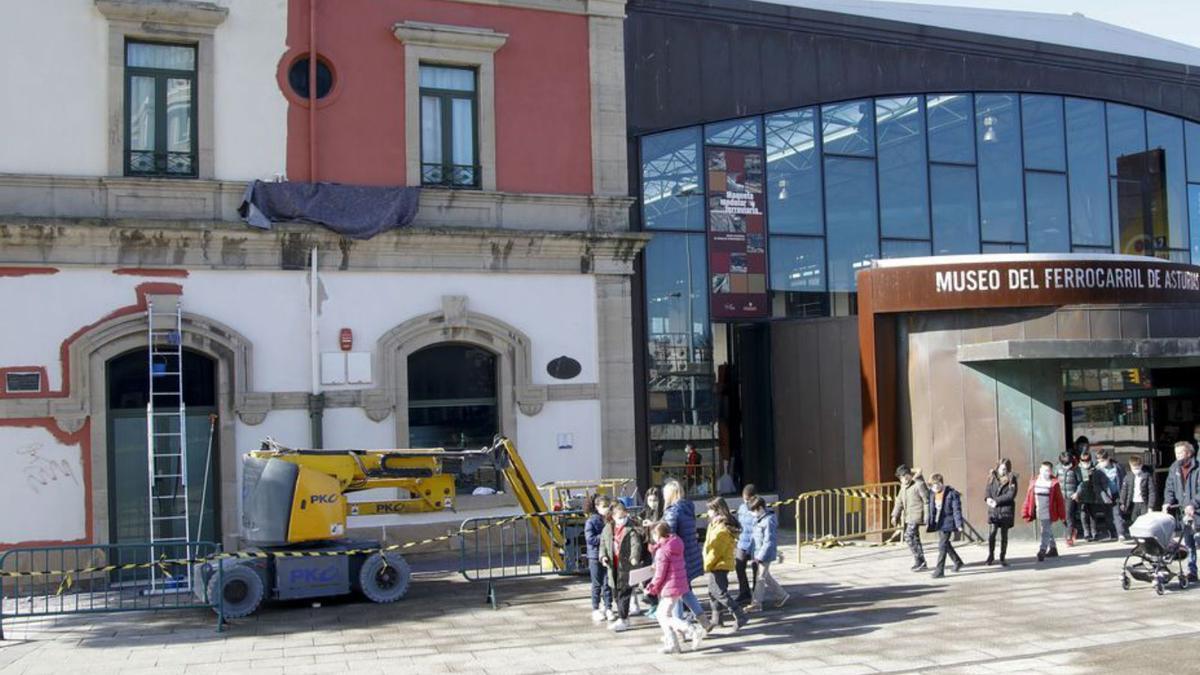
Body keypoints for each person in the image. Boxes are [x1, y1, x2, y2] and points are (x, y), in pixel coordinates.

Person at [662, 480, 711, 635]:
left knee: (675, 592)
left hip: (677, 559)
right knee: (685, 590)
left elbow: (669, 536)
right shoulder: (687, 508)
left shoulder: (672, 512)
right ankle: (704, 621)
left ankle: (680, 628)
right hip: (690, 555)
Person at [645, 521, 697, 654]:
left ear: (657, 534)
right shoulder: (675, 543)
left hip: (669, 586)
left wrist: (651, 588)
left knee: (663, 615)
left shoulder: (662, 551)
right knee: (662, 615)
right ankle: (673, 643)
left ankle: (689, 628)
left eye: (653, 534)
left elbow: (660, 574)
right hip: (677, 584)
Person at [703, 497, 748, 631]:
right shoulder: (714, 524)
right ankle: (717, 619)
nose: (708, 512)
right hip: (715, 564)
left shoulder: (721, 529)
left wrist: (706, 565)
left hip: (719, 564)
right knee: (712, 592)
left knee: (719, 592)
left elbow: (715, 551)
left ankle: (740, 615)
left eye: (710, 509)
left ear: (717, 510)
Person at [599, 501, 644, 632]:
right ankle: (623, 617)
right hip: (612, 566)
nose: (623, 520)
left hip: (626, 566)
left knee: (624, 593)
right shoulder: (607, 528)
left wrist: (634, 557)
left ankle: (623, 619)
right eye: (620, 517)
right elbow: (602, 544)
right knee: (616, 593)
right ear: (612, 516)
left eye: (624, 516)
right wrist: (603, 557)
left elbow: (636, 544)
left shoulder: (631, 528)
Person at [1163, 440, 1200, 581]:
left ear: (1189, 453)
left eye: (1180, 453)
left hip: (1196, 509)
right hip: (1185, 512)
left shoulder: (1198, 468)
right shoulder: (1174, 468)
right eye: (1176, 453)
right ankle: (1192, 571)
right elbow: (1170, 487)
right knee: (1189, 542)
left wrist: (1193, 504)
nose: (1177, 456)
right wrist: (1167, 502)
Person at [746, 496, 789, 610]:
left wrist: (759, 556)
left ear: (760, 508)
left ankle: (756, 603)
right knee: (765, 576)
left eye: (753, 510)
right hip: (759, 552)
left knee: (760, 577)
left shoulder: (768, 520)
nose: (752, 513)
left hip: (766, 553)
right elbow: (755, 538)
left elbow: (769, 541)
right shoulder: (759, 518)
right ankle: (782, 595)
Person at [1021, 461, 1067, 561]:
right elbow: (1028, 497)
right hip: (1038, 510)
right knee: (1047, 529)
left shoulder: (1054, 484)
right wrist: (1025, 510)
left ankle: (1042, 550)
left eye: (1047, 470)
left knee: (1045, 531)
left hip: (1049, 511)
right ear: (1040, 470)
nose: (1045, 472)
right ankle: (1053, 548)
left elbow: (1059, 500)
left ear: (1051, 471)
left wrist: (1062, 515)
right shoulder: (1035, 481)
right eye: (1043, 470)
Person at [891, 464, 929, 571]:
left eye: (904, 476)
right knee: (915, 539)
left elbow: (927, 501)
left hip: (917, 515)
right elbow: (899, 502)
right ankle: (921, 562)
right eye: (900, 477)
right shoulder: (903, 487)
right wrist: (895, 515)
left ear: (908, 475)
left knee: (908, 536)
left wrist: (927, 517)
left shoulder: (918, 484)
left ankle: (919, 560)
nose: (903, 479)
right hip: (909, 516)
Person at [926, 474, 965, 579]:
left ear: (941, 483)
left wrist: (959, 524)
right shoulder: (932, 494)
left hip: (948, 522)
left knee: (942, 546)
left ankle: (939, 570)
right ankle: (958, 562)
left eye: (937, 484)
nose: (935, 487)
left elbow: (957, 510)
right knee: (946, 544)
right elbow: (931, 509)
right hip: (938, 522)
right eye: (933, 485)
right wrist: (929, 521)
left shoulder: (951, 494)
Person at [584, 493, 614, 622]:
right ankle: (596, 608)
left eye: (608, 506)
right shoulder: (591, 521)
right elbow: (590, 538)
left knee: (608, 583)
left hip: (608, 555)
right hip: (595, 556)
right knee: (597, 584)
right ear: (597, 507)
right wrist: (604, 537)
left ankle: (608, 607)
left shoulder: (610, 519)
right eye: (604, 506)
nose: (607, 508)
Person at [984, 459, 1017, 567]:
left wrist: (996, 501)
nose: (1003, 471)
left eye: (1005, 469)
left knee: (1004, 535)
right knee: (992, 534)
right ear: (997, 468)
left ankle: (1002, 557)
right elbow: (987, 490)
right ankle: (990, 555)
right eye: (1001, 468)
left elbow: (1011, 495)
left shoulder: (1012, 479)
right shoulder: (992, 477)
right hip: (993, 511)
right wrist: (988, 498)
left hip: (1005, 511)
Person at [1091, 449, 1127, 541]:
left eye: (1103, 460)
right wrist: (1104, 496)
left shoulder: (1118, 467)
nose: (1101, 463)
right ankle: (1112, 532)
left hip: (1117, 494)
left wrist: (1123, 495)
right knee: (1108, 515)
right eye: (1099, 461)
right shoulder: (1097, 471)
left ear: (1108, 458)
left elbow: (1124, 480)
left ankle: (1121, 533)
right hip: (1105, 495)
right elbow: (1097, 486)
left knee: (1117, 514)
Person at [640, 487, 664, 618]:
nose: (652, 503)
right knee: (648, 578)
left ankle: (658, 605)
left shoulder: (663, 513)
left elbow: (665, 527)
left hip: (659, 548)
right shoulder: (645, 512)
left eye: (655, 500)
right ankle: (653, 604)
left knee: (657, 577)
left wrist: (653, 524)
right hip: (648, 548)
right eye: (649, 500)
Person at [734, 484, 759, 603]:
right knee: (739, 566)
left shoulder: (759, 507)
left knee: (756, 568)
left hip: (755, 544)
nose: (746, 501)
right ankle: (744, 592)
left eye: (748, 499)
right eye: (744, 499)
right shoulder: (742, 508)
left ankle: (756, 593)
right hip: (742, 542)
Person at [1054, 451, 1083, 546]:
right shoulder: (1057, 468)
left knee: (1068, 516)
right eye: (1065, 464)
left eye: (1068, 463)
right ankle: (1073, 530)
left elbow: (1081, 483)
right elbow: (1054, 480)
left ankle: (1069, 537)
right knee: (1062, 517)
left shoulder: (1076, 468)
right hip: (1060, 495)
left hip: (1071, 496)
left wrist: (1077, 493)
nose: (1067, 465)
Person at [1120, 454, 1157, 526]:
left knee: (1145, 520)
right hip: (1133, 503)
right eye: (1134, 469)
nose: (1136, 471)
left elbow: (1152, 492)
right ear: (1130, 467)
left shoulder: (1147, 476)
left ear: (1141, 466)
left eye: (1138, 468)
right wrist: (1122, 502)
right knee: (1134, 520)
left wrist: (1150, 506)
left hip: (1144, 503)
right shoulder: (1128, 477)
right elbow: (1124, 490)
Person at [1076, 450, 1101, 541]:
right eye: (1083, 460)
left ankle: (1094, 532)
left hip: (1092, 494)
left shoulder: (1094, 469)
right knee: (1083, 515)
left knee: (1093, 514)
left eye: (1087, 460)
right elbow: (1076, 482)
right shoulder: (1077, 469)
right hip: (1082, 495)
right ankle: (1086, 533)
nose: (1086, 462)